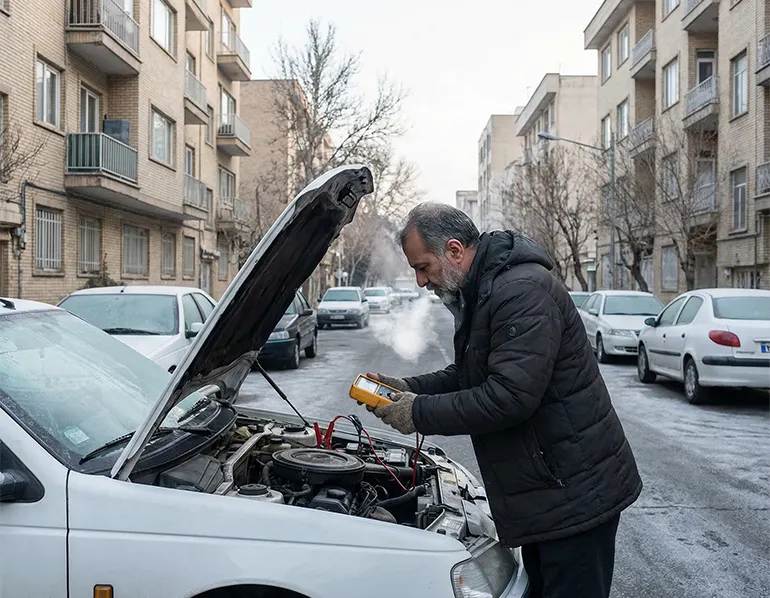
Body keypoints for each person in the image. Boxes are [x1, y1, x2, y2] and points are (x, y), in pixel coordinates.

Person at [363, 202, 642, 598]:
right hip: (549, 492)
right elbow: (470, 375)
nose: (421, 281)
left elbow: (509, 397)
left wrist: (416, 412)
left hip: (574, 496)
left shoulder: (521, 291)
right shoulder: (486, 289)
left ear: (454, 250)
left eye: (423, 267)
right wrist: (408, 387)